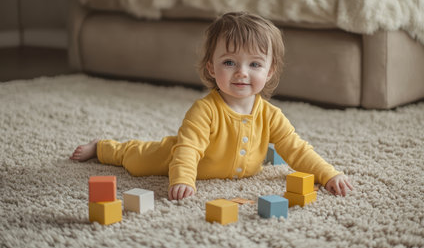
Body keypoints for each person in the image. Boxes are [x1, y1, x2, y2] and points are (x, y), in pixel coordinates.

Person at [70, 12, 353, 200]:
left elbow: (297, 148)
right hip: (174, 156)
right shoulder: (204, 110)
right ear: (211, 67)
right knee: (138, 159)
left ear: (269, 71)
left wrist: (329, 174)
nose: (242, 72)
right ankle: (104, 147)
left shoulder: (270, 115)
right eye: (229, 62)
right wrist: (182, 179)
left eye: (254, 64)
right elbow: (188, 149)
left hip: (224, 163)